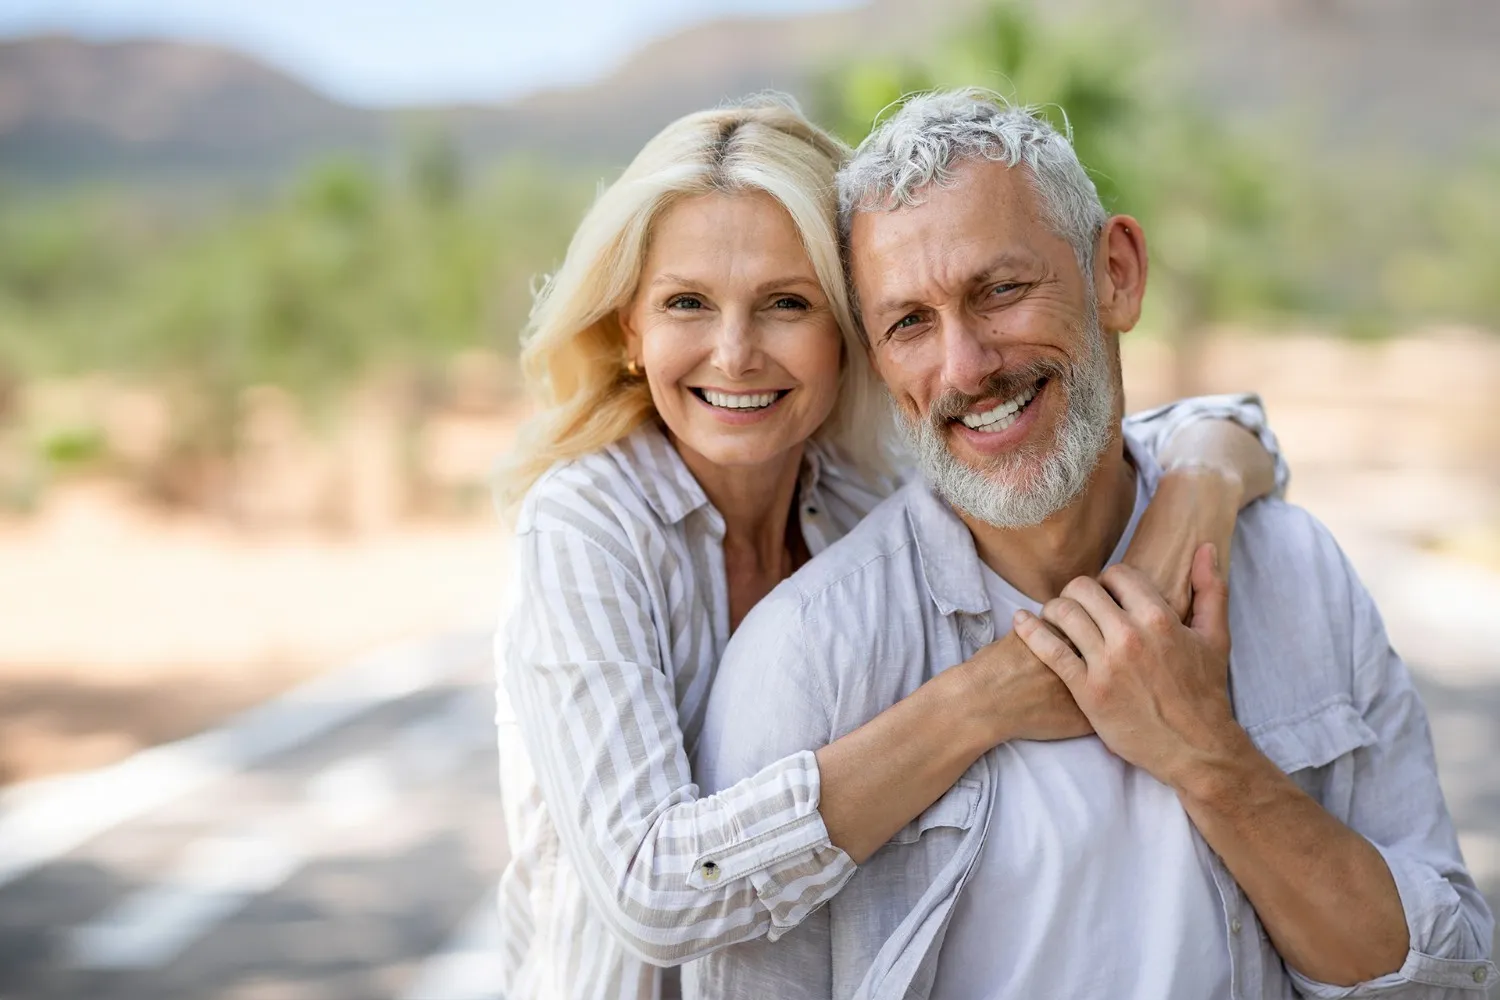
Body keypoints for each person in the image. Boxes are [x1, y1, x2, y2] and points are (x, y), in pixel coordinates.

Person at [690, 90, 1498, 1000]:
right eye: (909, 322)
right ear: (875, 357)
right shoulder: (810, 655)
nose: (965, 367)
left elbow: (1449, 978)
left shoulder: (1292, 569)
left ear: (1115, 272)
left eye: (999, 290)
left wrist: (1210, 757)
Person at [494, 95, 1286, 1000]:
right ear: (630, 331)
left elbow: (1208, 428)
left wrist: (1197, 494)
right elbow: (654, 892)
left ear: (853, 332)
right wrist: (985, 700)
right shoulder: (584, 527)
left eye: (786, 303)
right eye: (686, 304)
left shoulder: (864, 493)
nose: (736, 352)